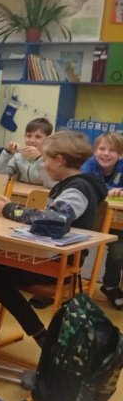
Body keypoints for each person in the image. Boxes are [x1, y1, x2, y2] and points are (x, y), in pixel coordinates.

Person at [0, 131, 107, 351]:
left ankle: (42, 338)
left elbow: (55, 220)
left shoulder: (78, 188)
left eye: (46, 159)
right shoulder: (69, 184)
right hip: (45, 255)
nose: (43, 165)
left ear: (60, 160)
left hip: (60, 262)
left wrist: (10, 209)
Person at [81, 131, 123, 308]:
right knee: (76, 243)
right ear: (95, 151)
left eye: (112, 150)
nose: (106, 153)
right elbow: (86, 181)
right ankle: (64, 280)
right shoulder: (89, 164)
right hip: (88, 217)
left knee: (119, 249)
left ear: (120, 154)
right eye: (102, 149)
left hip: (114, 219)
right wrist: (109, 189)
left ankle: (110, 285)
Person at [0, 117, 55, 188]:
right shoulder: (18, 157)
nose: (32, 140)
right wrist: (7, 153)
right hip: (20, 193)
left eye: (38, 137)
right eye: (29, 136)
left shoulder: (52, 159)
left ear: (47, 140)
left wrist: (39, 158)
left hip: (43, 194)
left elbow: (52, 184)